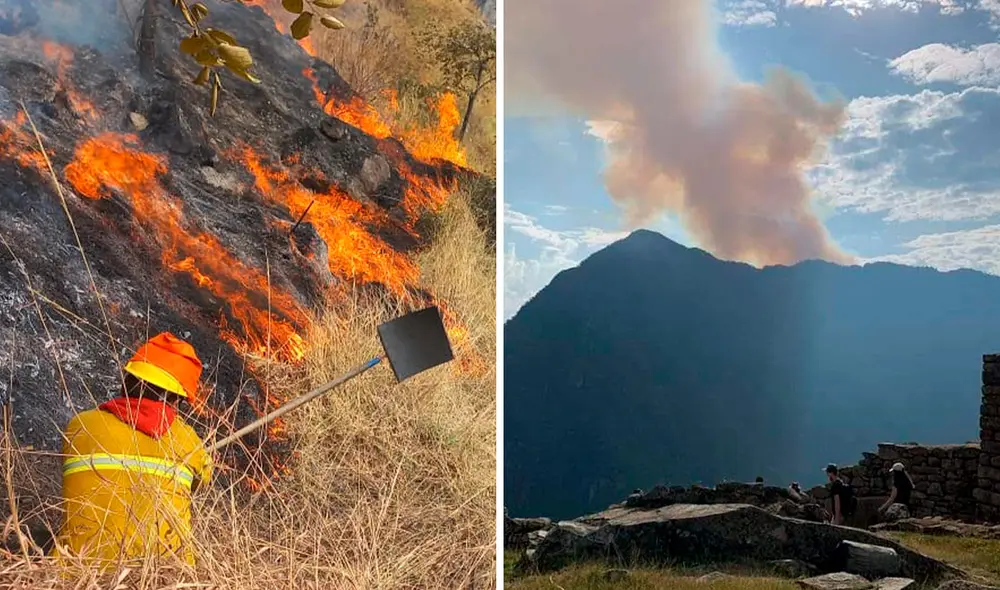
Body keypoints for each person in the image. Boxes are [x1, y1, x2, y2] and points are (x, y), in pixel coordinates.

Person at [51, 332, 213, 568]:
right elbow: (200, 486)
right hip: (166, 575)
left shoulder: (80, 425)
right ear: (177, 399)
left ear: (127, 379)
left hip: (80, 573)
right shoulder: (189, 441)